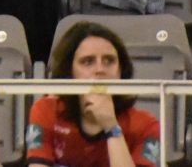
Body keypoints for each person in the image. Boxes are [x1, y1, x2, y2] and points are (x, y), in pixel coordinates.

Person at [26, 20, 164, 167]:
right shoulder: (46, 110)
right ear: (69, 71)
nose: (100, 70)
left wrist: (111, 128)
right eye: (88, 61)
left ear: (121, 71)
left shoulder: (147, 125)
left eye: (109, 61)